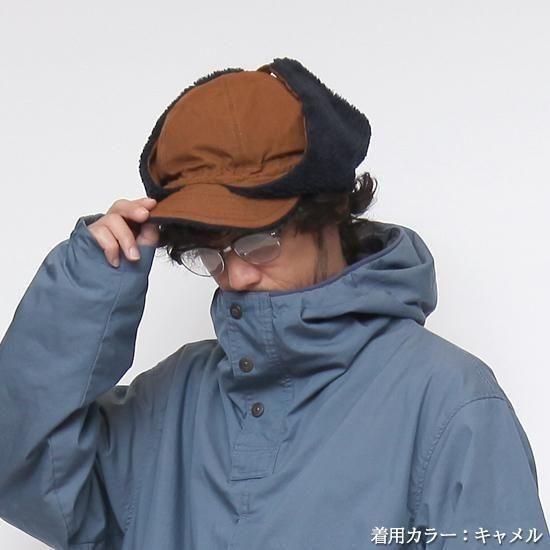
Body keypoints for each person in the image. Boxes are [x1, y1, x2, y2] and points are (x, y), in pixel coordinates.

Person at [0, 57, 547, 550]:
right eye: (211, 253)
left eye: (258, 242)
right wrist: (90, 281)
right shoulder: (174, 399)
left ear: (329, 214)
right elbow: (21, 472)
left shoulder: (451, 402)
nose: (234, 275)